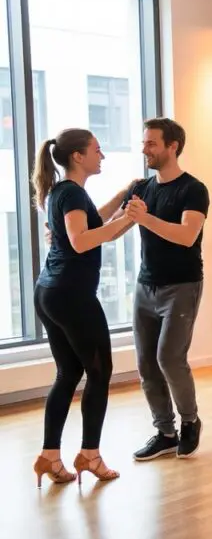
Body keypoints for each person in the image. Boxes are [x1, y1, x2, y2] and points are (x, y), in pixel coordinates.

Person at [30, 130, 134, 486]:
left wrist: (122, 201)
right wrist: (127, 220)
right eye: (97, 150)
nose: (102, 156)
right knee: (100, 371)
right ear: (78, 156)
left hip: (50, 292)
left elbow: (91, 224)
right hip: (71, 296)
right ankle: (90, 455)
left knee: (69, 373)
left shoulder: (63, 191)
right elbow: (81, 241)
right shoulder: (71, 192)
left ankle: (49, 457)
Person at [128, 118, 210, 460]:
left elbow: (186, 235)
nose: (144, 149)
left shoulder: (193, 189)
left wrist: (145, 218)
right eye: (144, 142)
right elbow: (110, 223)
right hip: (145, 286)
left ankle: (190, 421)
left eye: (151, 143)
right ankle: (165, 431)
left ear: (172, 146)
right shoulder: (142, 187)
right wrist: (62, 232)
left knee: (169, 358)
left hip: (182, 286)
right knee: (147, 362)